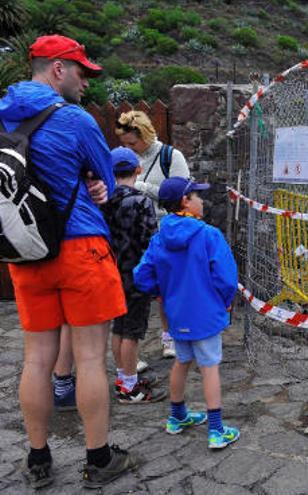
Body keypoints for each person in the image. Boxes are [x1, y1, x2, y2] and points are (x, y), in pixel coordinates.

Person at [0, 34, 135, 489]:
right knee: (90, 357)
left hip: (27, 252)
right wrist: (100, 188)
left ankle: (37, 459)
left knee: (37, 359)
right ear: (57, 68)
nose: (85, 83)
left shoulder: (2, 114)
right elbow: (107, 179)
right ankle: (98, 459)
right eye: (81, 72)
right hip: (80, 248)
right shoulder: (74, 118)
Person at [134, 176, 240, 449]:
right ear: (185, 201)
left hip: (177, 314)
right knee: (209, 367)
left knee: (182, 361)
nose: (202, 200)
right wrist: (224, 302)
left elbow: (142, 276)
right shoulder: (208, 235)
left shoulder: (159, 239)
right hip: (205, 314)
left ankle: (177, 416)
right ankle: (216, 430)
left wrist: (162, 292)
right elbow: (227, 279)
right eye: (197, 195)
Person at [115, 110, 190, 359]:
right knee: (137, 289)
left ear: (145, 134)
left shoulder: (171, 156)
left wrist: (141, 187)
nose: (129, 148)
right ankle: (132, 347)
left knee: (167, 288)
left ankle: (169, 337)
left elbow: (182, 195)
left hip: (166, 232)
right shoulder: (128, 158)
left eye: (132, 143)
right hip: (136, 233)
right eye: (125, 144)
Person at [103, 147, 166, 404]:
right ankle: (129, 389)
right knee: (132, 332)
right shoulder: (141, 202)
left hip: (113, 273)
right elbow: (151, 242)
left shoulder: (104, 201)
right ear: (138, 170)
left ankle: (123, 377)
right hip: (136, 275)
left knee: (119, 327)